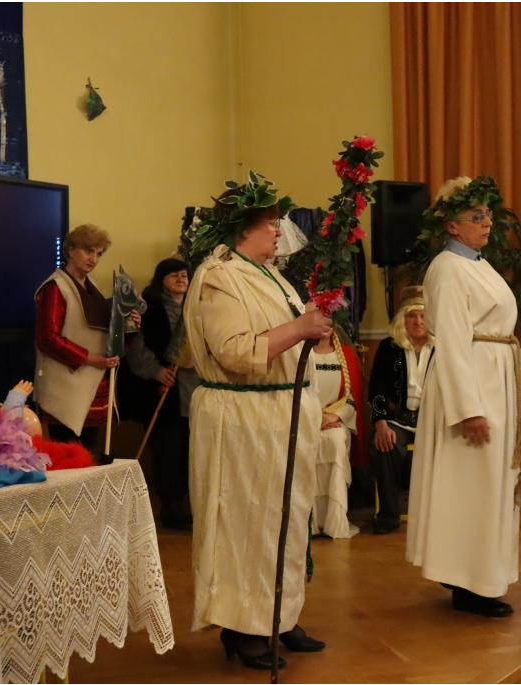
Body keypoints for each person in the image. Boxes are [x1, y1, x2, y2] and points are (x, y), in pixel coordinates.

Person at [183, 175, 332, 670]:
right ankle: (242, 626)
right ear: (244, 227)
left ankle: (278, 615)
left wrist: (309, 322)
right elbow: (234, 351)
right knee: (246, 522)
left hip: (279, 413)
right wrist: (300, 327)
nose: (278, 231)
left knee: (284, 523)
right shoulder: (219, 275)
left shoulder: (269, 273)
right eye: (270, 222)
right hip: (244, 416)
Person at [406, 177, 521, 618]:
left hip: (493, 382)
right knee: (471, 487)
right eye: (476, 216)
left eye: (488, 214)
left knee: (489, 486)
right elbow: (454, 342)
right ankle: (467, 581)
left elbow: (499, 339)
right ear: (452, 225)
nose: (487, 222)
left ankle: (479, 577)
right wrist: (467, 409)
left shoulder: (478, 263)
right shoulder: (447, 267)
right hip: (471, 388)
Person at [33, 224, 140, 450]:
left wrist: (130, 326)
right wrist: (91, 359)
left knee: (88, 459)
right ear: (71, 250)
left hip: (92, 385)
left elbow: (103, 333)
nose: (93, 259)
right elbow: (47, 339)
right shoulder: (55, 287)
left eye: (99, 253)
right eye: (88, 250)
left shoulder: (92, 286)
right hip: (66, 389)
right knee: (70, 463)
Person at [125, 258, 201, 529]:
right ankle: (171, 506)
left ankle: (193, 505)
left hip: (195, 388)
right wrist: (156, 370)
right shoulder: (149, 307)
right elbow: (137, 345)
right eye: (174, 275)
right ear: (162, 279)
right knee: (167, 448)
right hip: (164, 389)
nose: (181, 279)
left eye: (185, 275)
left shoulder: (198, 306)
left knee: (190, 449)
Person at [368, 286, 434, 535]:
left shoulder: (443, 348)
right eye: (412, 316)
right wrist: (381, 424)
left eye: (423, 316)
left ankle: (441, 516)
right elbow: (376, 389)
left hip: (433, 420)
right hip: (397, 420)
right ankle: (388, 516)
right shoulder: (389, 347)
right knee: (385, 445)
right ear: (402, 320)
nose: (418, 321)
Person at [310, 326, 365, 539]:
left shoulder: (346, 354)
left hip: (336, 420)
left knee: (334, 440)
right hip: (306, 421)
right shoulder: (299, 353)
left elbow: (353, 396)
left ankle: (334, 520)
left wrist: (335, 416)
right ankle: (310, 522)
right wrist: (313, 419)